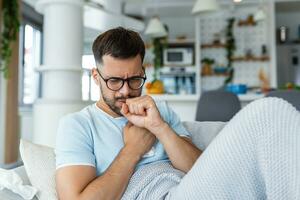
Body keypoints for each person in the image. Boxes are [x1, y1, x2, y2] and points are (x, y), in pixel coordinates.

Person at [55, 27, 300, 200]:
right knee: (268, 110)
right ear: (96, 77)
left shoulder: (158, 110)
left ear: (144, 71)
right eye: (115, 81)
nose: (126, 91)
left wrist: (160, 128)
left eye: (135, 80)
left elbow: (200, 170)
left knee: (273, 111)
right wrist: (132, 150)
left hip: (187, 189)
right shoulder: (77, 125)